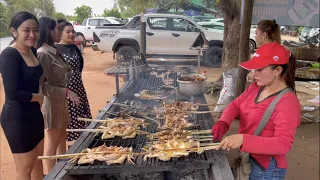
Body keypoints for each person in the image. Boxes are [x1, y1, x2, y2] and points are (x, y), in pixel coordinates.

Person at [212, 42, 301, 180]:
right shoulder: (257, 87)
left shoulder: (287, 102)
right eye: (254, 69)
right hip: (249, 157)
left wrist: (243, 139)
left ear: (277, 71)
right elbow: (236, 104)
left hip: (266, 169)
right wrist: (224, 121)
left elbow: (283, 144)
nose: (253, 74)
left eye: (259, 69)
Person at [0, 11, 44, 180]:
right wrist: (38, 97)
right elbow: (12, 93)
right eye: (26, 30)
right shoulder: (9, 55)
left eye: (36, 30)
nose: (32, 35)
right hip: (17, 117)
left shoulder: (32, 50)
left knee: (38, 161)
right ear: (14, 31)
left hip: (34, 114)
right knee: (25, 168)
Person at [36, 17, 80, 172]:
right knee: (53, 144)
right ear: (49, 31)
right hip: (52, 103)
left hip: (61, 101)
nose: (59, 32)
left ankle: (63, 172)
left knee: (62, 138)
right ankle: (51, 175)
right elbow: (42, 86)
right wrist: (66, 92)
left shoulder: (54, 50)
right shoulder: (43, 54)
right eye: (57, 29)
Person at [55, 21, 92, 142]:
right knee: (70, 121)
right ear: (60, 33)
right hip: (66, 91)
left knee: (81, 118)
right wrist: (66, 89)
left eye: (73, 31)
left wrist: (77, 79)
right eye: (68, 31)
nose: (71, 34)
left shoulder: (74, 47)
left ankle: (80, 144)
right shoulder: (56, 49)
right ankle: (71, 147)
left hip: (78, 87)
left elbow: (80, 65)